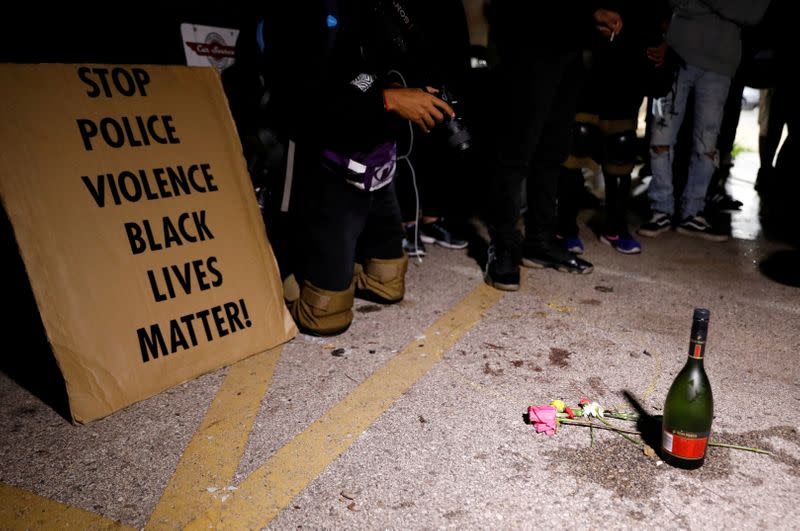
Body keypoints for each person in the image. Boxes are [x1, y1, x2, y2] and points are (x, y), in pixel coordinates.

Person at [251, 2, 455, 335]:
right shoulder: (300, 12)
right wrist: (387, 99)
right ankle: (285, 269)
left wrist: (421, 90)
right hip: (327, 163)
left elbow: (406, 58)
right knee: (327, 315)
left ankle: (347, 263)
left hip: (376, 162)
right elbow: (300, 104)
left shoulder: (386, 6)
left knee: (387, 282)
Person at [483, 2, 622, 291]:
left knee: (552, 152)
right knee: (516, 151)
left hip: (569, 46)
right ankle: (504, 246)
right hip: (529, 40)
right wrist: (588, 14)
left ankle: (539, 242)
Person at [636, 0, 771, 242]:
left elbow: (754, 14)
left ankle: (692, 211)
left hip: (720, 63)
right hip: (679, 53)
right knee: (662, 136)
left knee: (706, 143)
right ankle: (661, 208)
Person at [557, 0, 672, 255]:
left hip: (627, 70)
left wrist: (664, 44)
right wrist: (593, 14)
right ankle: (564, 227)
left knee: (622, 146)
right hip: (587, 66)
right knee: (577, 142)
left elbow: (660, 18)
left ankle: (615, 228)